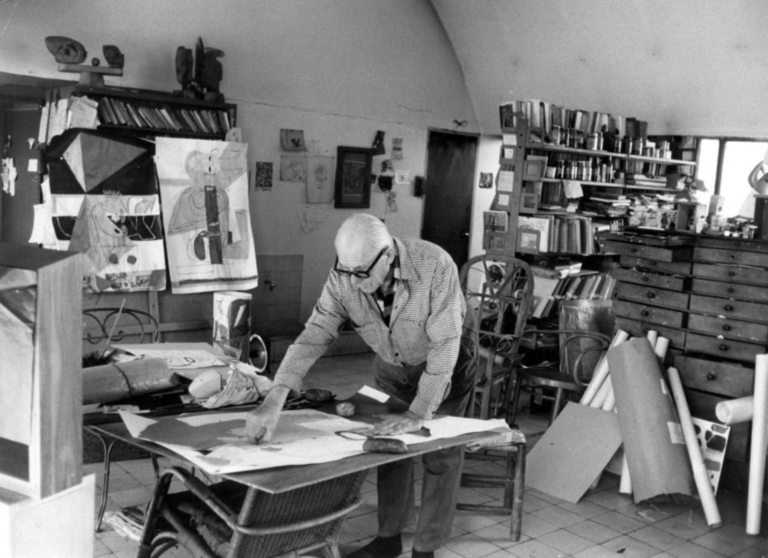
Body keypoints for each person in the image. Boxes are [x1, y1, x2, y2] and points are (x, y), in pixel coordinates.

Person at [245, 213, 476, 558]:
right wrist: (274, 398)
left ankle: (426, 547)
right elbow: (314, 334)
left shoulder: (435, 265)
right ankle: (389, 537)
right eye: (346, 270)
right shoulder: (344, 276)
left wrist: (417, 413)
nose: (352, 281)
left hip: (447, 363)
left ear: (388, 255)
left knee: (440, 455)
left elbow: (444, 348)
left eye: (360, 273)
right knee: (390, 444)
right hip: (392, 363)